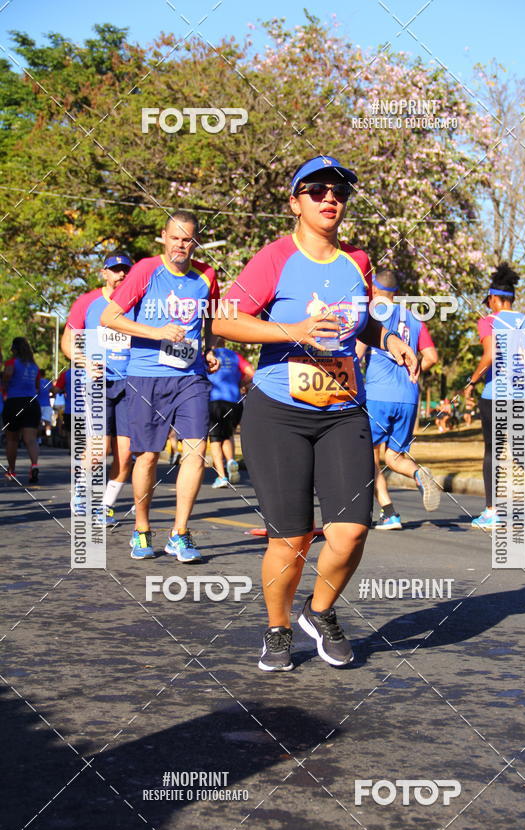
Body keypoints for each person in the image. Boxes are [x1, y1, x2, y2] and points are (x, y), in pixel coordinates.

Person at [212, 155, 418, 671]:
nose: (331, 198)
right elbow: (224, 322)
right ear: (295, 201)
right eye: (318, 190)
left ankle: (319, 611)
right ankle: (278, 629)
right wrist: (292, 332)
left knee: (350, 531)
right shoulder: (275, 259)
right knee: (293, 537)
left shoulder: (357, 262)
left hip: (345, 410)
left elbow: (361, 321)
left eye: (340, 192)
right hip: (279, 411)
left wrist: (389, 337)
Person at [100, 210, 220, 562]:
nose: (181, 244)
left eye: (188, 239)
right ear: (164, 238)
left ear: (194, 242)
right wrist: (157, 333)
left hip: (190, 376)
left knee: (197, 451)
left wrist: (210, 348)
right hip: (146, 375)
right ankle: (141, 529)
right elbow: (111, 317)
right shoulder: (145, 271)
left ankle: (180, 534)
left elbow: (209, 319)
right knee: (148, 456)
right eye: (176, 237)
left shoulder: (206, 276)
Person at [464, 262, 525, 530]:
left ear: (495, 299)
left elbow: (490, 355)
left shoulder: (489, 321)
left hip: (496, 395)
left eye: (489, 301)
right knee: (521, 453)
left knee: (492, 453)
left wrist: (471, 381)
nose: (488, 306)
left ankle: (491, 511)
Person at [356, 268, 440, 530]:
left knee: (368, 456)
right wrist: (414, 370)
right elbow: (432, 356)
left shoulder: (372, 315)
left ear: (377, 291)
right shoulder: (414, 318)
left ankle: (389, 512)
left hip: (379, 395)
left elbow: (357, 354)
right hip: (409, 396)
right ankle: (418, 473)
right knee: (395, 456)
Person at [61, 253, 134, 523]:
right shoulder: (87, 302)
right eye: (115, 270)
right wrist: (83, 361)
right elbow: (67, 342)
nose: (121, 275)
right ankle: (81, 492)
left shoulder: (136, 304)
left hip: (130, 383)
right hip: (97, 383)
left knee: (126, 454)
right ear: (104, 273)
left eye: (125, 270)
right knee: (99, 448)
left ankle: (105, 506)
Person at [208, 339, 254, 488]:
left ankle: (221, 476)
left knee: (215, 438)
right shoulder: (234, 355)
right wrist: (239, 384)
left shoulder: (207, 356)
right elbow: (250, 372)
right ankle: (230, 461)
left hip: (215, 400)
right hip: (234, 401)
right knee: (227, 435)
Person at [2, 337, 41, 483]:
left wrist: (5, 385)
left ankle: (11, 471)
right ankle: (34, 465)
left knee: (12, 439)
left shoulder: (11, 363)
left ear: (14, 349)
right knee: (30, 439)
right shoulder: (34, 367)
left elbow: (7, 376)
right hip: (31, 403)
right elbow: (37, 386)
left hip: (14, 401)